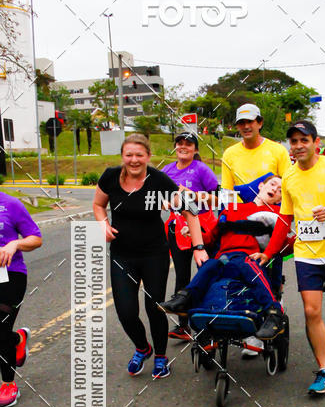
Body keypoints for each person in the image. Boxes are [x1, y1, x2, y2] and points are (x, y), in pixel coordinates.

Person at [93, 133, 205, 379]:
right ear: (122, 156)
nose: (134, 160)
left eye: (139, 155)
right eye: (129, 155)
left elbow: (190, 211)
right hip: (122, 254)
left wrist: (199, 247)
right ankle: (143, 348)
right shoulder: (110, 176)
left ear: (148, 157)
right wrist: (102, 224)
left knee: (154, 308)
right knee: (126, 311)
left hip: (154, 254)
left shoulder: (159, 180)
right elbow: (98, 205)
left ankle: (162, 357)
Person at [254, 120, 325, 395]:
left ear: (316, 142)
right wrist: (269, 252)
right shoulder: (288, 176)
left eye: (303, 140)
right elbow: (285, 218)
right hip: (306, 254)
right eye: (293, 141)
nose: (298, 146)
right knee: (311, 310)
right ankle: (324, 370)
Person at [160, 176, 288, 340]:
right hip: (225, 258)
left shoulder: (278, 214)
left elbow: (284, 243)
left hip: (249, 257)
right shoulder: (232, 209)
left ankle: (274, 312)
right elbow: (212, 238)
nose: (275, 189)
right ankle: (185, 299)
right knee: (211, 264)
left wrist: (269, 254)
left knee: (246, 263)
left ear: (281, 198)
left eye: (280, 190)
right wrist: (194, 231)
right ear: (261, 186)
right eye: (273, 184)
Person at [220, 103, 291, 355]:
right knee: (240, 273)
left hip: (272, 221)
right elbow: (227, 193)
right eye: (241, 123)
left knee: (270, 272)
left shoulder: (277, 150)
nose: (246, 127)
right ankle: (246, 324)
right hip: (243, 222)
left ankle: (272, 310)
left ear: (259, 123)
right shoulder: (230, 154)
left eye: (250, 122)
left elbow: (287, 188)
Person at [162, 131, 219, 342]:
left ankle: (209, 324)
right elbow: (158, 197)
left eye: (188, 144)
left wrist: (194, 196)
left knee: (204, 273)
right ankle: (184, 326)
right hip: (177, 228)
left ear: (195, 149)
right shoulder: (166, 171)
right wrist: (164, 202)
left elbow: (219, 199)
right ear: (175, 146)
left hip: (202, 227)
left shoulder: (201, 169)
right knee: (181, 275)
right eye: (179, 143)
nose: (183, 147)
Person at [0, 191, 42, 407]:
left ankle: (8, 384)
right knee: (4, 333)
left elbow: (36, 238)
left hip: (10, 274)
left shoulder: (10, 204)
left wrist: (14, 245)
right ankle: (17, 340)